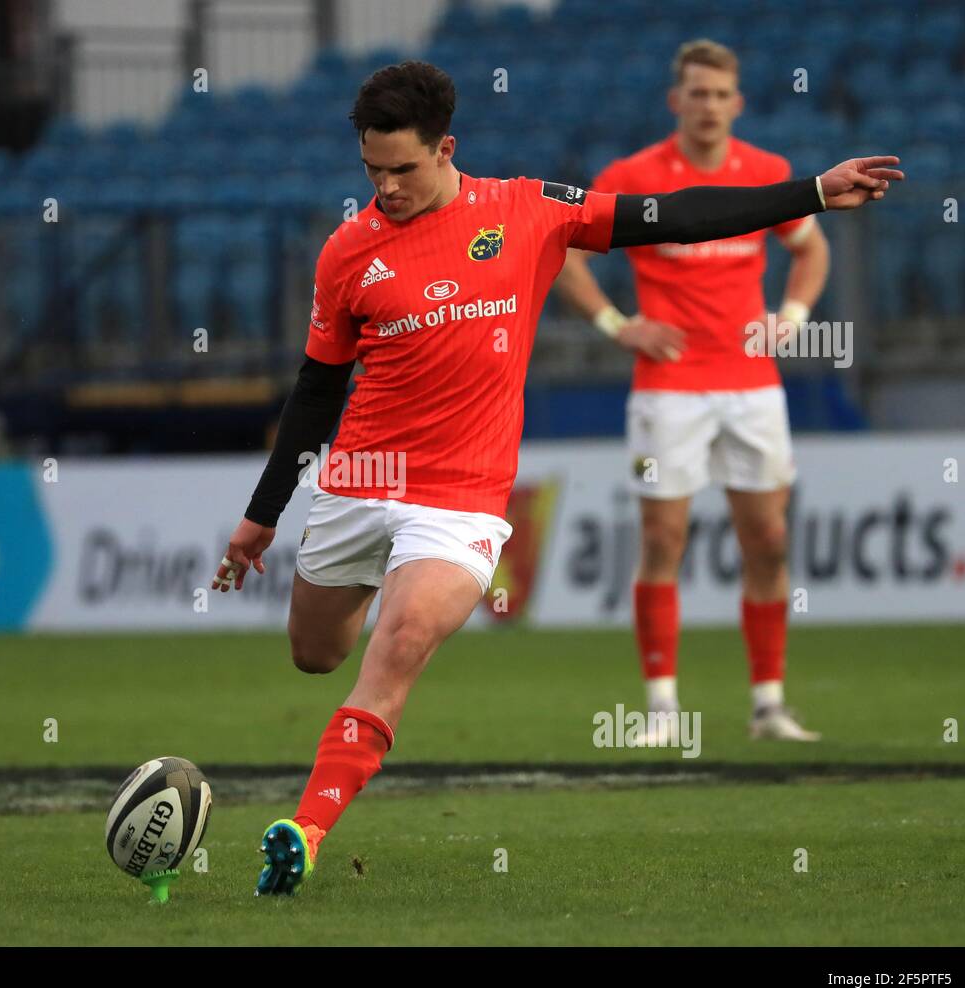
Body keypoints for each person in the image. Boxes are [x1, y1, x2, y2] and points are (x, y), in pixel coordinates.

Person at [211, 60, 900, 894]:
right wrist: (263, 515)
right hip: (358, 482)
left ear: (447, 148)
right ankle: (357, 612)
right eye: (372, 171)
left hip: (458, 498)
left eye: (403, 169)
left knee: (397, 650)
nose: (385, 188)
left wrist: (812, 194)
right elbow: (317, 390)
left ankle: (305, 830)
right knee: (315, 654)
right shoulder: (348, 252)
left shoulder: (527, 210)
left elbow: (670, 216)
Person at [553, 40, 830, 743]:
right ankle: (662, 711)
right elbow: (568, 252)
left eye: (720, 95)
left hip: (751, 385)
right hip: (668, 386)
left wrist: (792, 317)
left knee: (767, 538)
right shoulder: (635, 175)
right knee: (662, 537)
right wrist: (618, 324)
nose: (708, 106)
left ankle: (768, 704)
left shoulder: (766, 173)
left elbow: (812, 247)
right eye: (696, 93)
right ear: (675, 102)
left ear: (737, 103)